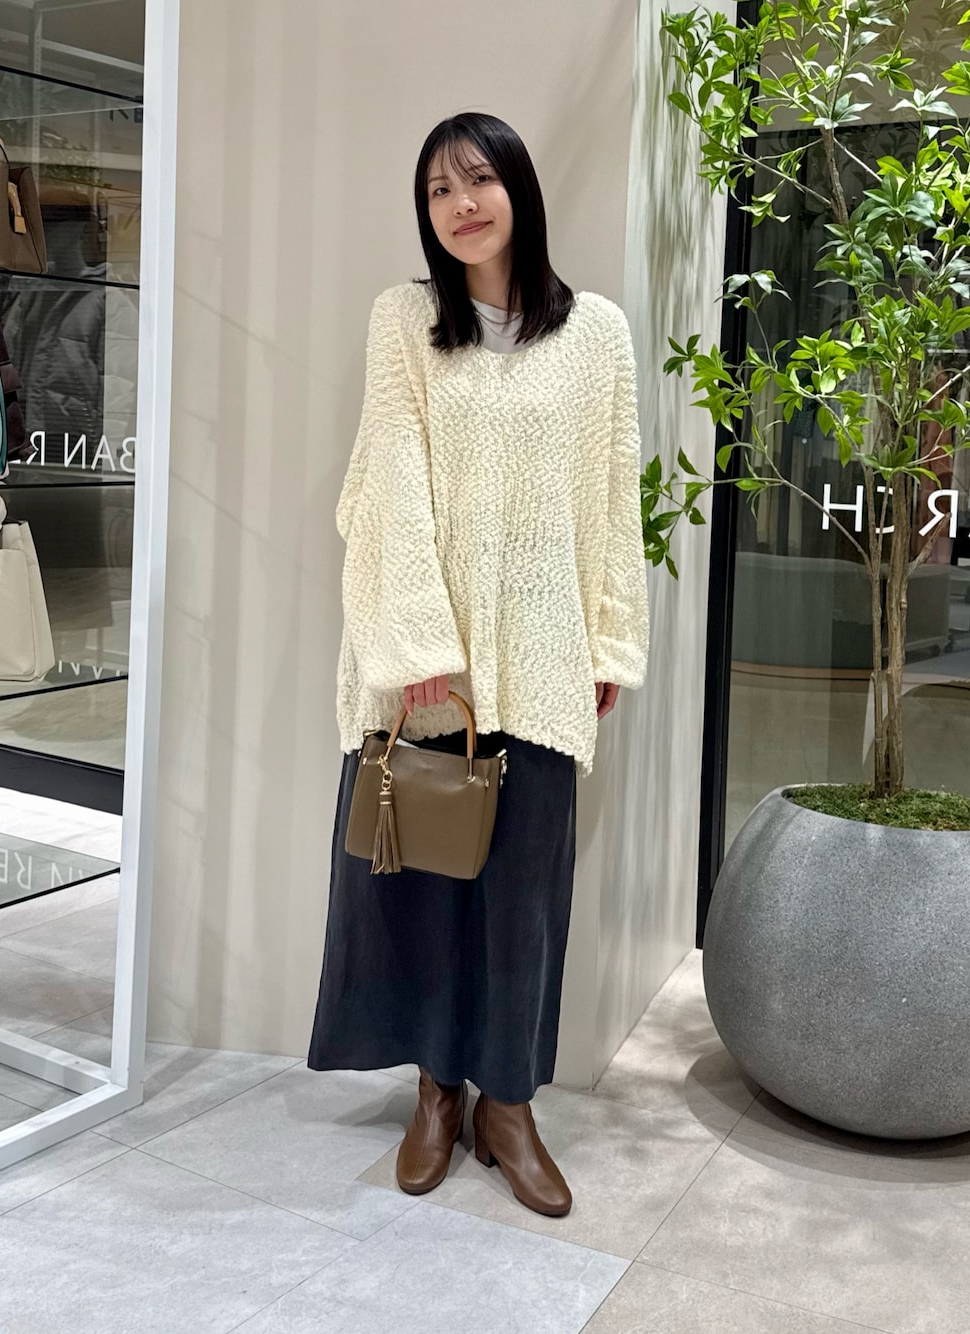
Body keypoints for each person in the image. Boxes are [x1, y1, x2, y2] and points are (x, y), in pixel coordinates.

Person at [308, 111, 648, 1218]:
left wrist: (607, 639)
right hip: (427, 670)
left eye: (478, 180)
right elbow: (389, 477)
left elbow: (612, 498)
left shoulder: (597, 334)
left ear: (518, 190)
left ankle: (508, 1105)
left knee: (523, 897)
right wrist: (417, 645)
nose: (460, 204)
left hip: (543, 655)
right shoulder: (404, 320)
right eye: (438, 190)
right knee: (421, 888)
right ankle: (435, 1093)